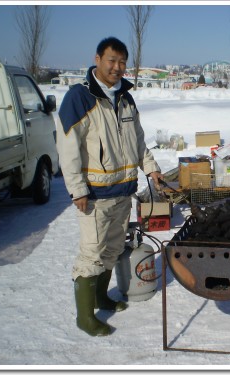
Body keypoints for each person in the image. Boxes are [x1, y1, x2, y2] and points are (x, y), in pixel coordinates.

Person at [56, 36, 163, 336]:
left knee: (113, 249)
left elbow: (138, 141)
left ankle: (102, 296)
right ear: (98, 59)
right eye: (111, 61)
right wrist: (77, 189)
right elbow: (68, 148)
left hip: (123, 192)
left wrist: (151, 169)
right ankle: (84, 317)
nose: (117, 68)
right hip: (94, 196)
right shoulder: (80, 98)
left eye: (122, 63)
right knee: (91, 254)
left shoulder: (126, 98)